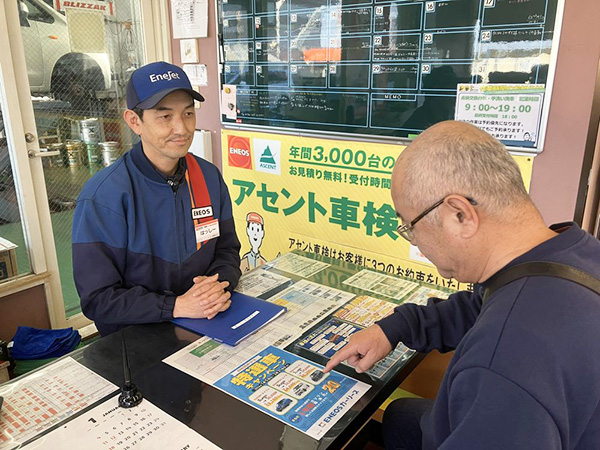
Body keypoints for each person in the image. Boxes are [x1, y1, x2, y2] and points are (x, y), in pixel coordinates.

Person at [325, 121, 600, 449]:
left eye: (409, 226)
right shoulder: (570, 252)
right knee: (400, 416)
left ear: (460, 215)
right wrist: (394, 328)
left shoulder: (504, 361)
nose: (414, 240)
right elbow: (482, 306)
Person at [72, 61, 241, 336]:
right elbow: (98, 299)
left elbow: (227, 250)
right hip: (135, 336)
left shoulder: (208, 177)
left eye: (188, 113)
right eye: (165, 116)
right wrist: (176, 306)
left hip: (206, 321)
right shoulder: (103, 196)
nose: (181, 128)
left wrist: (217, 285)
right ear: (134, 121)